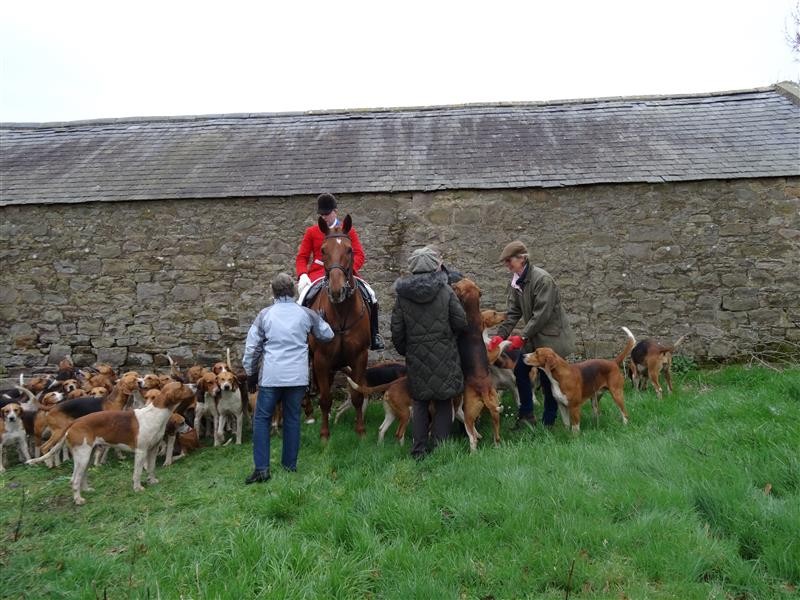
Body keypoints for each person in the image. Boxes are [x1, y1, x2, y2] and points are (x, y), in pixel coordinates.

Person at [242, 272, 334, 483]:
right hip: (297, 377)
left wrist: (251, 373)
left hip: (271, 376)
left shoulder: (264, 315)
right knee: (292, 419)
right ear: (293, 291)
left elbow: (252, 348)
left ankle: (262, 469)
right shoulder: (306, 314)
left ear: (273, 291)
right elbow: (327, 335)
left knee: (262, 420)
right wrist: (320, 318)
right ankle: (289, 465)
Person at [391, 246, 468, 459]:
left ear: (413, 268)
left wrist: (407, 350)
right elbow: (461, 322)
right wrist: (449, 339)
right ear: (435, 265)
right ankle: (441, 450)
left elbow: (397, 331)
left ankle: (418, 451)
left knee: (420, 402)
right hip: (444, 355)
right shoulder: (445, 290)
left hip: (416, 356)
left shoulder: (403, 297)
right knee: (443, 402)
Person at [495, 240, 575, 430]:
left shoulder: (543, 280)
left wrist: (522, 336)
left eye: (509, 261)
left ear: (522, 259)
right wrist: (500, 335)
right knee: (520, 371)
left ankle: (549, 422)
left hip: (552, 338)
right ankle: (526, 416)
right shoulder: (517, 281)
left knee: (549, 381)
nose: (507, 265)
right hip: (535, 339)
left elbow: (542, 314)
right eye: (505, 261)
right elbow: (514, 311)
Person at [295, 192, 385, 350]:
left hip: (346, 273)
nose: (324, 217)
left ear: (335, 211)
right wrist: (303, 274)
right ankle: (302, 339)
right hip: (318, 274)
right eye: (322, 214)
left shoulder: (348, 231)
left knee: (371, 295)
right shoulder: (312, 232)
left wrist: (347, 270)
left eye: (327, 213)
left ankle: (374, 335)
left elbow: (359, 255)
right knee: (302, 300)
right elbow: (302, 257)